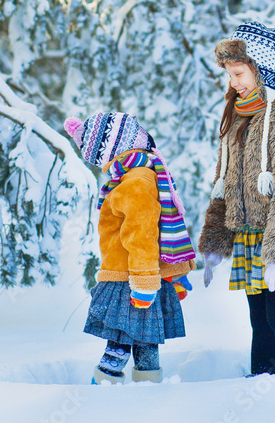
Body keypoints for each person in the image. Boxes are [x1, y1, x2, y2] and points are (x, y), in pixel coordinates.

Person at [198, 21, 275, 386]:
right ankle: (261, 383)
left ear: (261, 68)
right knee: (258, 320)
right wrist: (216, 242)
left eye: (238, 73)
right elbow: (224, 183)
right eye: (229, 75)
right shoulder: (238, 113)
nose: (233, 82)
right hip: (249, 237)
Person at [64, 111, 197, 384]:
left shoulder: (135, 179)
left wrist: (145, 282)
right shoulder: (136, 177)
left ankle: (110, 391)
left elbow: (143, 234)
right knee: (140, 341)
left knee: (123, 341)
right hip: (136, 277)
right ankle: (142, 390)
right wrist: (147, 280)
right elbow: (144, 232)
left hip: (132, 277)